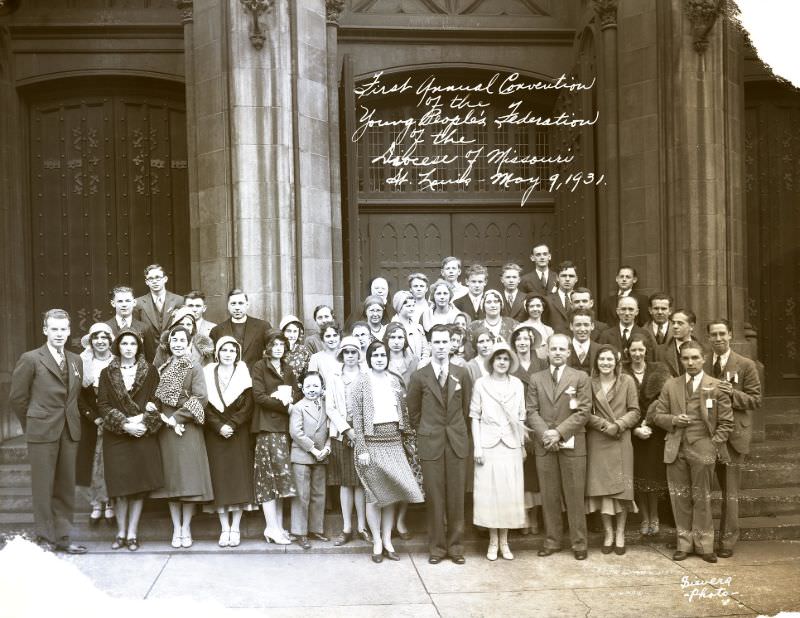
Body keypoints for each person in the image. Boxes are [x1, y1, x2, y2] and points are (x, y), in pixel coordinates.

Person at [647, 340, 734, 563]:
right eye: (686, 358)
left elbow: (726, 423)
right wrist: (674, 419)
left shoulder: (716, 385)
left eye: (695, 357)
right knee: (680, 498)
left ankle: (705, 545)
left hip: (703, 447)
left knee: (702, 497)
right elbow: (657, 416)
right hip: (676, 447)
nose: (690, 362)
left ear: (704, 359)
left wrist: (713, 444)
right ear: (680, 360)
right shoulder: (670, 385)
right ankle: (684, 544)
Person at [9, 309, 86, 554]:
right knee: (43, 487)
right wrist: (33, 422)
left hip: (69, 430)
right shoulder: (31, 358)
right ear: (45, 330)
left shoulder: (76, 360)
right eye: (54, 329)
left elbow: (74, 397)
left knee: (65, 486)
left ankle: (63, 537)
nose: (59, 334)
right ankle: (44, 538)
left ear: (69, 331)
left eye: (63, 329)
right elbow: (18, 398)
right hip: (41, 431)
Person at [352, 340, 425, 563]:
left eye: (383, 355)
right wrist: (362, 447)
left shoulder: (394, 380)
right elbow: (357, 417)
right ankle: (376, 542)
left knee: (391, 495)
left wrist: (407, 439)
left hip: (393, 441)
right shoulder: (361, 382)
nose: (380, 359)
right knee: (374, 496)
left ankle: (387, 540)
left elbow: (403, 411)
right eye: (375, 355)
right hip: (371, 443)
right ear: (369, 359)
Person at [407, 324, 473, 565]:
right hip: (431, 442)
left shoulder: (462, 373)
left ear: (451, 344)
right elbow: (413, 412)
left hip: (456, 441)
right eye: (437, 342)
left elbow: (467, 409)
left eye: (446, 342)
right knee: (435, 497)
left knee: (456, 495)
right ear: (430, 344)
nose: (442, 346)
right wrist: (428, 430)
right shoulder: (419, 376)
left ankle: (456, 547)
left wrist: (455, 431)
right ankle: (436, 548)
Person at [525, 333, 591, 561]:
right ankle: (552, 541)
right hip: (545, 444)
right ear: (547, 352)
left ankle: (579, 543)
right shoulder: (536, 378)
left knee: (574, 495)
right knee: (549, 495)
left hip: (572, 444)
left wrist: (558, 432)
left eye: (562, 349)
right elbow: (531, 410)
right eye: (553, 349)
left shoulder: (580, 377)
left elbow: (583, 411)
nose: (557, 353)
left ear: (569, 352)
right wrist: (546, 434)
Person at [97, 329, 163, 551]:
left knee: (138, 488)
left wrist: (144, 423)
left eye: (133, 344)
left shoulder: (151, 371)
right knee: (120, 488)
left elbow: (157, 400)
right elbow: (103, 404)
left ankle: (132, 533)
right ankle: (120, 532)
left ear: (138, 347)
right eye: (124, 344)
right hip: (117, 436)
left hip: (142, 433)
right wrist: (125, 425)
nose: (128, 348)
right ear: (118, 346)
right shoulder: (107, 373)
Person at [150, 325, 213, 548]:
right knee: (172, 480)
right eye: (174, 340)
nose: (177, 344)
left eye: (182, 340)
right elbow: (156, 397)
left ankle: (186, 527)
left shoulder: (194, 367)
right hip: (165, 427)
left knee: (188, 479)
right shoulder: (162, 367)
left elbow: (201, 397)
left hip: (186, 425)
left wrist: (178, 418)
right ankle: (176, 527)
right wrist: (155, 411)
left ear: (188, 343)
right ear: (169, 344)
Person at [705, 319, 762, 557]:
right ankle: (705, 540)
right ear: (708, 338)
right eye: (714, 335)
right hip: (708, 436)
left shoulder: (745, 365)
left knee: (730, 492)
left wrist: (733, 393)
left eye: (722, 334)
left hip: (734, 437)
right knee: (704, 490)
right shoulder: (703, 363)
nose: (718, 339)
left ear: (730, 334)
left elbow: (755, 400)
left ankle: (727, 541)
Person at [471, 343, 527, 561]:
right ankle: (493, 541)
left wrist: (521, 444)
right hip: (488, 444)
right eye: (498, 359)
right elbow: (474, 416)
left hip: (511, 445)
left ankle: (505, 541)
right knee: (490, 493)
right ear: (491, 362)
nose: (502, 362)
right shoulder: (481, 384)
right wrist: (477, 446)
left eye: (505, 359)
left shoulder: (517, 384)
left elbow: (521, 416)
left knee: (508, 493)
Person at [585, 345, 640, 555]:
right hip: (598, 440)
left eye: (609, 360)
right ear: (596, 362)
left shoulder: (627, 381)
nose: (605, 363)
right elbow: (584, 411)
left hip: (620, 438)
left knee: (622, 492)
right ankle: (608, 533)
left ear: (616, 363)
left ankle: (620, 533)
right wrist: (603, 425)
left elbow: (635, 411)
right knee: (602, 491)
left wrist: (618, 425)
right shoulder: (590, 383)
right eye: (602, 360)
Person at [202, 336, 256, 548]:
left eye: (232, 351)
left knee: (238, 478)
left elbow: (248, 405)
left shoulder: (243, 372)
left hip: (238, 432)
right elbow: (204, 403)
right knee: (220, 479)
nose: (228, 354)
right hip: (215, 433)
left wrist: (232, 424)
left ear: (237, 354)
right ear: (217, 352)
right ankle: (225, 527)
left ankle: (236, 527)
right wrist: (218, 426)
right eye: (224, 350)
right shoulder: (208, 373)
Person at [251, 331, 297, 544]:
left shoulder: (288, 368)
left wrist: (290, 400)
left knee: (281, 478)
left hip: (284, 429)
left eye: (281, 344)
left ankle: (277, 526)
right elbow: (258, 396)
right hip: (267, 428)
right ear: (267, 347)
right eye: (274, 344)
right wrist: (283, 404)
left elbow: (297, 393)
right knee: (268, 478)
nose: (278, 348)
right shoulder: (260, 366)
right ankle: (271, 527)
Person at [623, 333, 671, 536]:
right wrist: (635, 427)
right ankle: (644, 517)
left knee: (653, 477)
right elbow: (619, 403)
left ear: (647, 351)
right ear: (627, 351)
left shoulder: (659, 370)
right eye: (633, 350)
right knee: (639, 478)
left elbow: (665, 398)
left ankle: (655, 517)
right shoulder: (622, 372)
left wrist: (649, 422)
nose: (637, 354)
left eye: (640, 350)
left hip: (654, 431)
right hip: (632, 433)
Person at [326, 337, 370, 546]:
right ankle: (346, 527)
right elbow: (330, 408)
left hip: (362, 432)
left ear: (359, 354)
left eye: (354, 352)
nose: (350, 356)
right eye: (346, 352)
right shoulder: (334, 376)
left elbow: (370, 406)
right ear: (341, 355)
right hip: (341, 432)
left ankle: (362, 526)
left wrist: (358, 431)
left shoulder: (366, 375)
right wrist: (346, 430)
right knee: (345, 481)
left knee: (360, 481)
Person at [76, 323, 115, 526]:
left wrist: (111, 417)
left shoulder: (117, 362)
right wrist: (94, 417)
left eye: (104, 337)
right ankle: (95, 504)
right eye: (96, 338)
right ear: (91, 342)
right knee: (92, 462)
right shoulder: (83, 363)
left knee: (110, 462)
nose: (100, 341)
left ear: (110, 341)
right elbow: (79, 397)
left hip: (114, 420)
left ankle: (109, 503)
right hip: (90, 421)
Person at [510, 326, 547, 534]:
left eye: (526, 339)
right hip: (517, 422)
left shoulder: (541, 363)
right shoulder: (510, 363)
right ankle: (523, 516)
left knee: (536, 472)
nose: (522, 342)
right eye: (519, 339)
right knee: (521, 472)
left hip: (538, 419)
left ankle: (535, 517)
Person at [289, 371, 332, 549]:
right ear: (302, 387)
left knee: (318, 494)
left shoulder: (327, 405)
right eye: (308, 386)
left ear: (322, 388)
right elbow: (296, 433)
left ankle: (316, 528)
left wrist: (327, 448)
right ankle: (300, 532)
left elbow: (331, 429)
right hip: (303, 456)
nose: (312, 389)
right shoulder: (299, 407)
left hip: (322, 455)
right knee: (302, 495)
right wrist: (314, 449)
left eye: (315, 386)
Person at [210, 289, 272, 368]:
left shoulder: (263, 327)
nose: (237, 308)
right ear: (228, 306)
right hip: (228, 378)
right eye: (233, 304)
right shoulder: (217, 331)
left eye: (240, 303)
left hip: (256, 377)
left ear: (247, 305)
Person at [134, 264, 184, 354]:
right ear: (146, 282)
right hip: (149, 354)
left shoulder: (179, 301)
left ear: (165, 279)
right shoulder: (138, 303)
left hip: (173, 353)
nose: (154, 281)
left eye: (158, 277)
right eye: (151, 279)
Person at [105, 285, 156, 361]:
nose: (124, 305)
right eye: (120, 301)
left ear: (134, 302)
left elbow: (150, 357)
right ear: (113, 303)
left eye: (128, 301)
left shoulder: (145, 328)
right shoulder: (106, 327)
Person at [597, 296, 657, 361]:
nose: (627, 313)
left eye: (631, 309)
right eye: (623, 309)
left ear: (636, 312)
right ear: (617, 311)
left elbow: (649, 359)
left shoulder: (645, 334)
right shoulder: (606, 335)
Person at [656, 309, 697, 377]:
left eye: (680, 323)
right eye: (673, 323)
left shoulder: (705, 350)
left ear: (691, 326)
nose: (675, 326)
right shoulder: (660, 351)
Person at [390, 290, 426, 359]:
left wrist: (422, 363)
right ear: (399, 307)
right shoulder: (390, 328)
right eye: (408, 306)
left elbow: (425, 350)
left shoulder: (418, 327)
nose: (412, 309)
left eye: (413, 306)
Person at [545, 261, 579, 335]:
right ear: (557, 278)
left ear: (576, 279)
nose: (567, 279)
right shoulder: (547, 300)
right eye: (563, 276)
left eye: (571, 276)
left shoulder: (581, 300)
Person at [517, 294, 553, 358]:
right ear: (527, 309)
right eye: (531, 306)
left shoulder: (549, 330)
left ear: (543, 308)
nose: (535, 309)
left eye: (538, 306)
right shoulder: (521, 327)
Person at [384, 322, 419, 386]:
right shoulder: (381, 361)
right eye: (392, 337)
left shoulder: (414, 361)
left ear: (405, 340)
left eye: (400, 337)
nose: (396, 342)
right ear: (387, 339)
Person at [567, 309, 599, 374]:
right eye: (578, 325)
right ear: (571, 326)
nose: (582, 329)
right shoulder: (563, 348)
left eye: (586, 325)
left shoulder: (599, 349)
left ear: (592, 326)